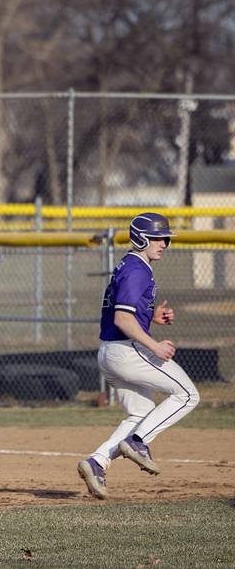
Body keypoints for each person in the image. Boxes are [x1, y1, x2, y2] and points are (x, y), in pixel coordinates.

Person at [77, 213, 200, 500]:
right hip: (126, 350)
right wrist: (154, 345)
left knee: (141, 414)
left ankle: (97, 462)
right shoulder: (138, 270)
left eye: (166, 239)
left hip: (110, 352)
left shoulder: (131, 264)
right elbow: (122, 318)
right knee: (188, 395)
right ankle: (140, 442)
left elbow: (127, 313)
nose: (164, 244)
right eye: (158, 238)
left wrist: (151, 317)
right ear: (141, 238)